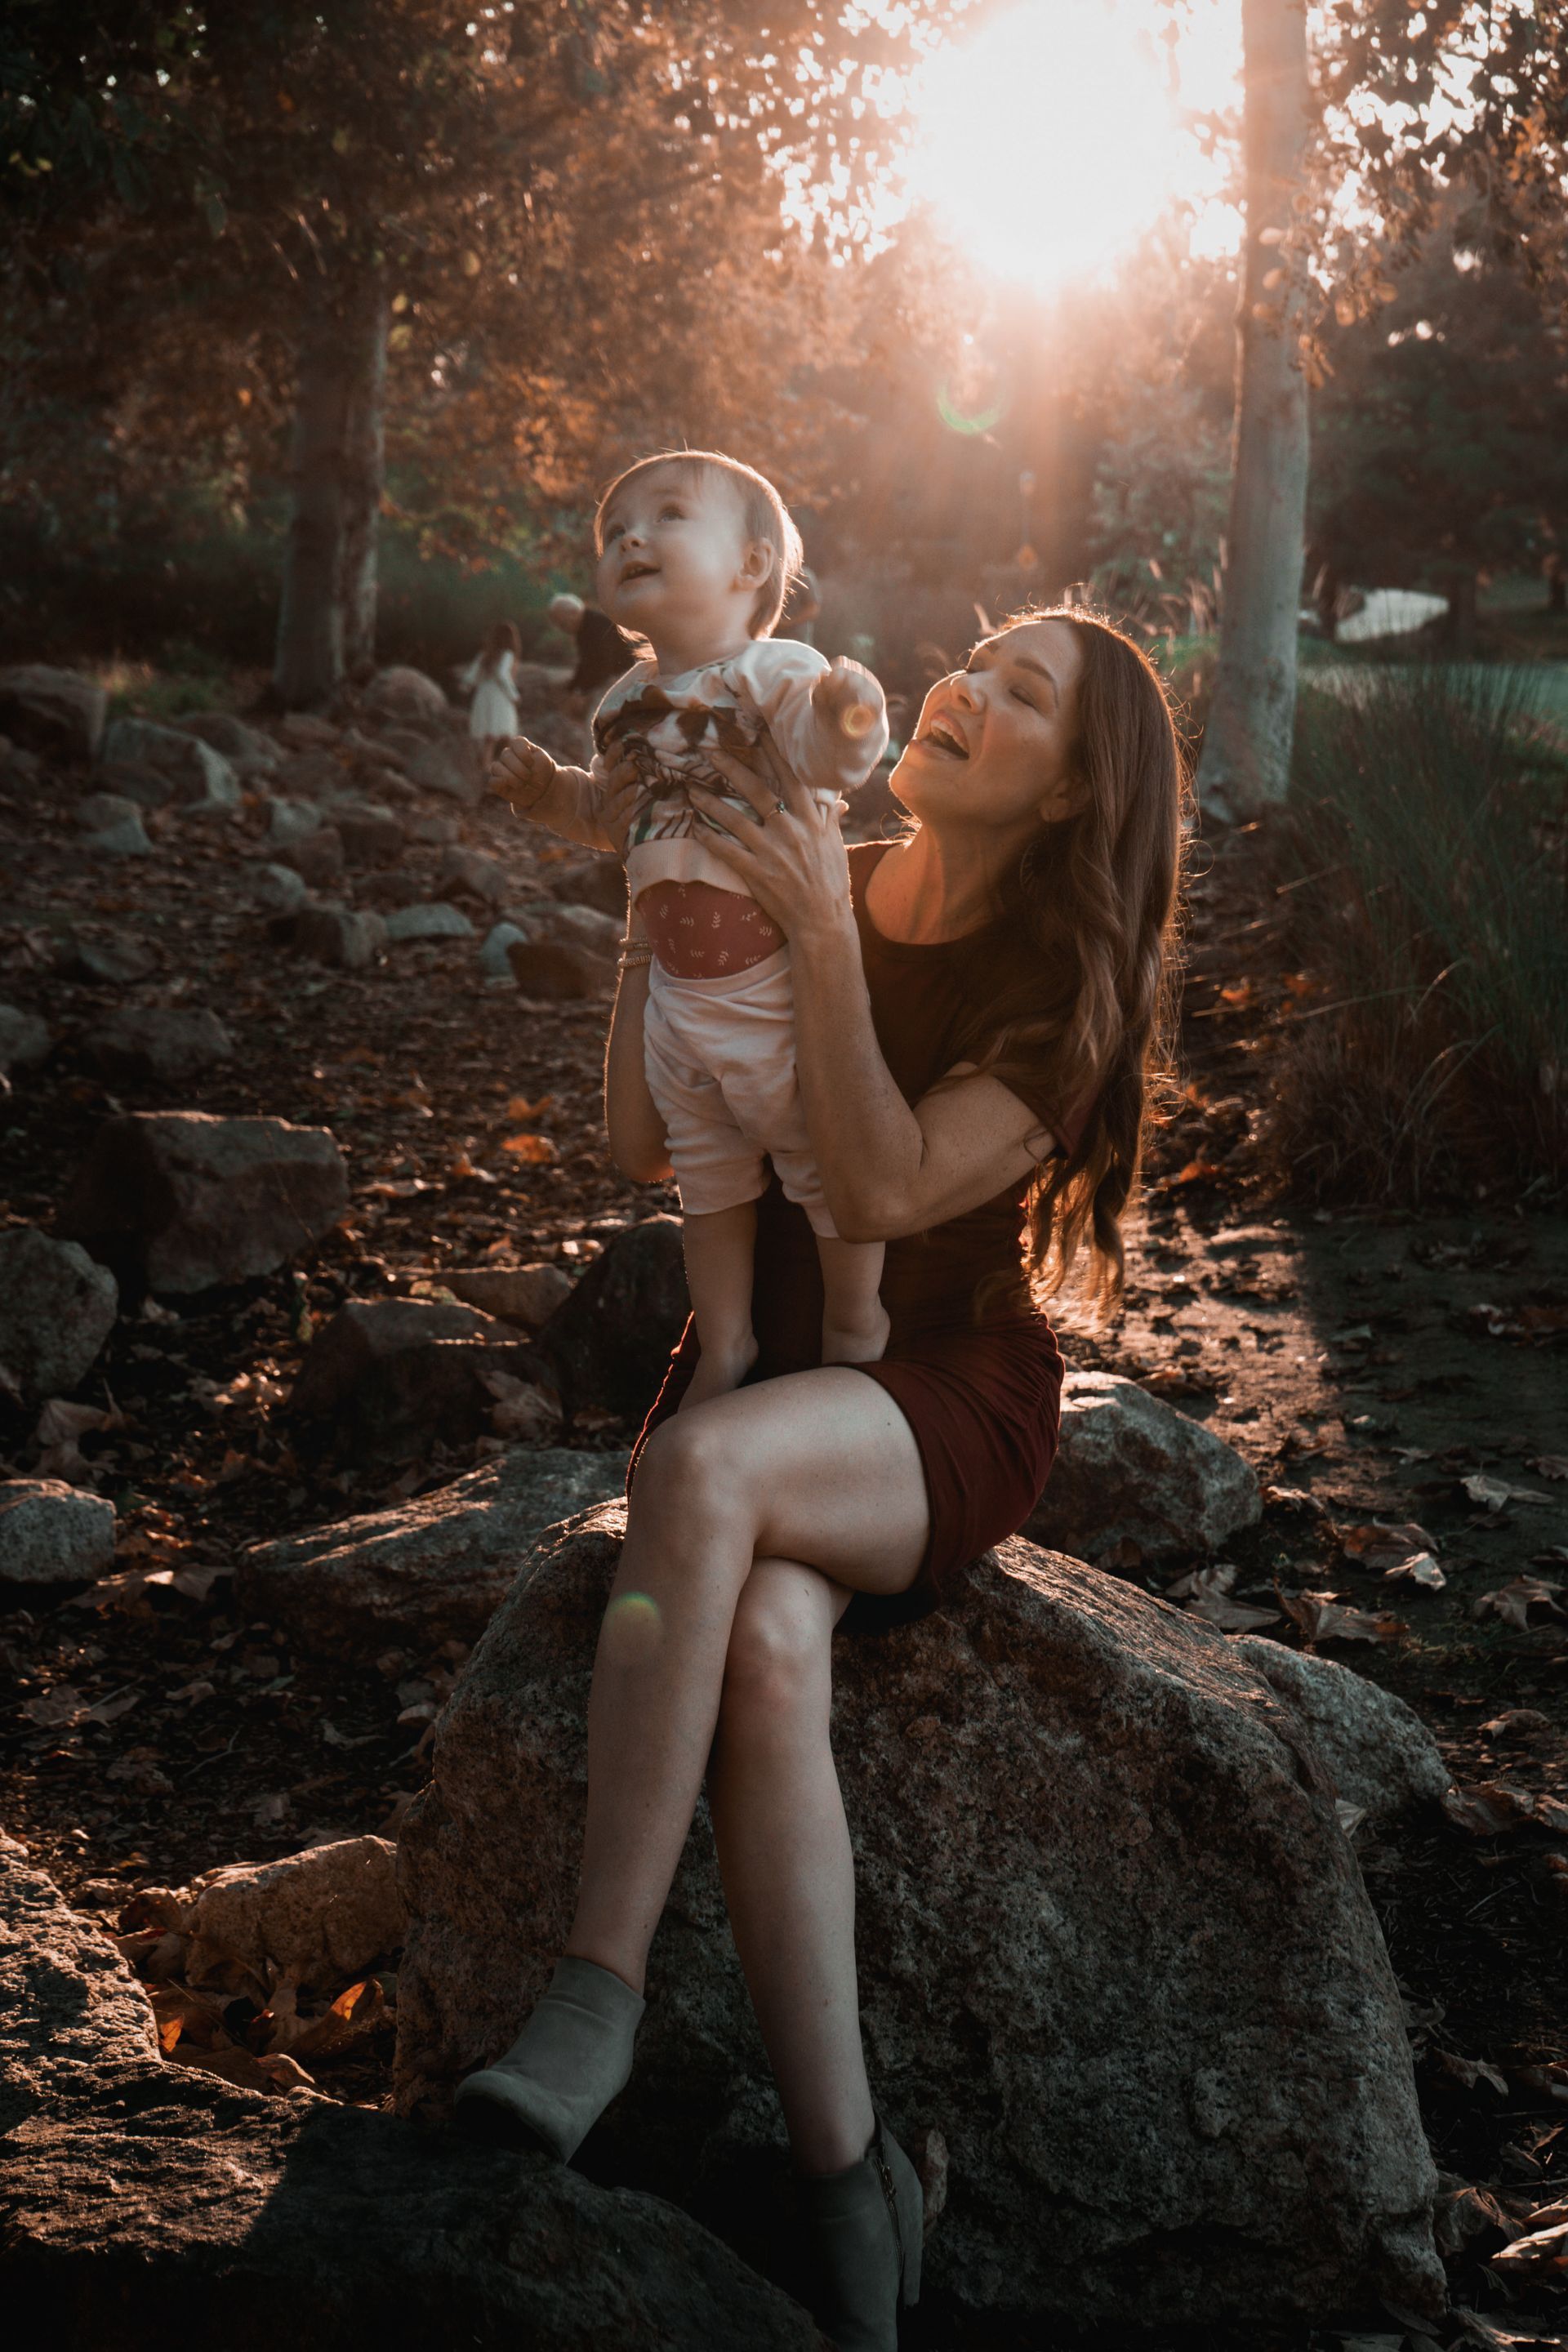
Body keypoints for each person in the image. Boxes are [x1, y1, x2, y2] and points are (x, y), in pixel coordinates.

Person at [457, 600, 1187, 2348]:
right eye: (978, 655)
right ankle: (852, 2185)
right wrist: (658, 907)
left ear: (1081, 787)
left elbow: (872, 1193)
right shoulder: (800, 845)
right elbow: (647, 1143)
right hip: (772, 1360)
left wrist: (818, 940)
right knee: (771, 1647)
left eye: (1024, 696)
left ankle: (595, 1993)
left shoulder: (1062, 989)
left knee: (697, 1482)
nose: (964, 686)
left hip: (938, 1391)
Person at [492, 450, 891, 1407]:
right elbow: (614, 820)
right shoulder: (620, 703)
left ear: (752, 565)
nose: (631, 534)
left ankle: (855, 1317)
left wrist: (850, 717)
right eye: (613, 528)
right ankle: (726, 1345)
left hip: (775, 996)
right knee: (707, 1195)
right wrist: (553, 794)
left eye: (668, 514)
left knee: (826, 1168)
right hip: (676, 1004)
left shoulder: (776, 672)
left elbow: (830, 760)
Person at [549, 590, 640, 699]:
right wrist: (572, 688)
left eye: (562, 624)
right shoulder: (584, 627)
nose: (562, 629)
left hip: (623, 676)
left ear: (573, 612)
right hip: (614, 675)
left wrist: (581, 692)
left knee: (593, 706)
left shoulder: (597, 626)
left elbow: (602, 665)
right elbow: (585, 663)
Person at [457, 621, 520, 771]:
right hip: (499, 697)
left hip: (484, 695)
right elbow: (502, 675)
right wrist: (514, 696)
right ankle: (509, 769)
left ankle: (487, 768)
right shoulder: (507, 655)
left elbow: (471, 677)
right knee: (506, 735)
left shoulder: (484, 655)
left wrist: (465, 688)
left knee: (490, 738)